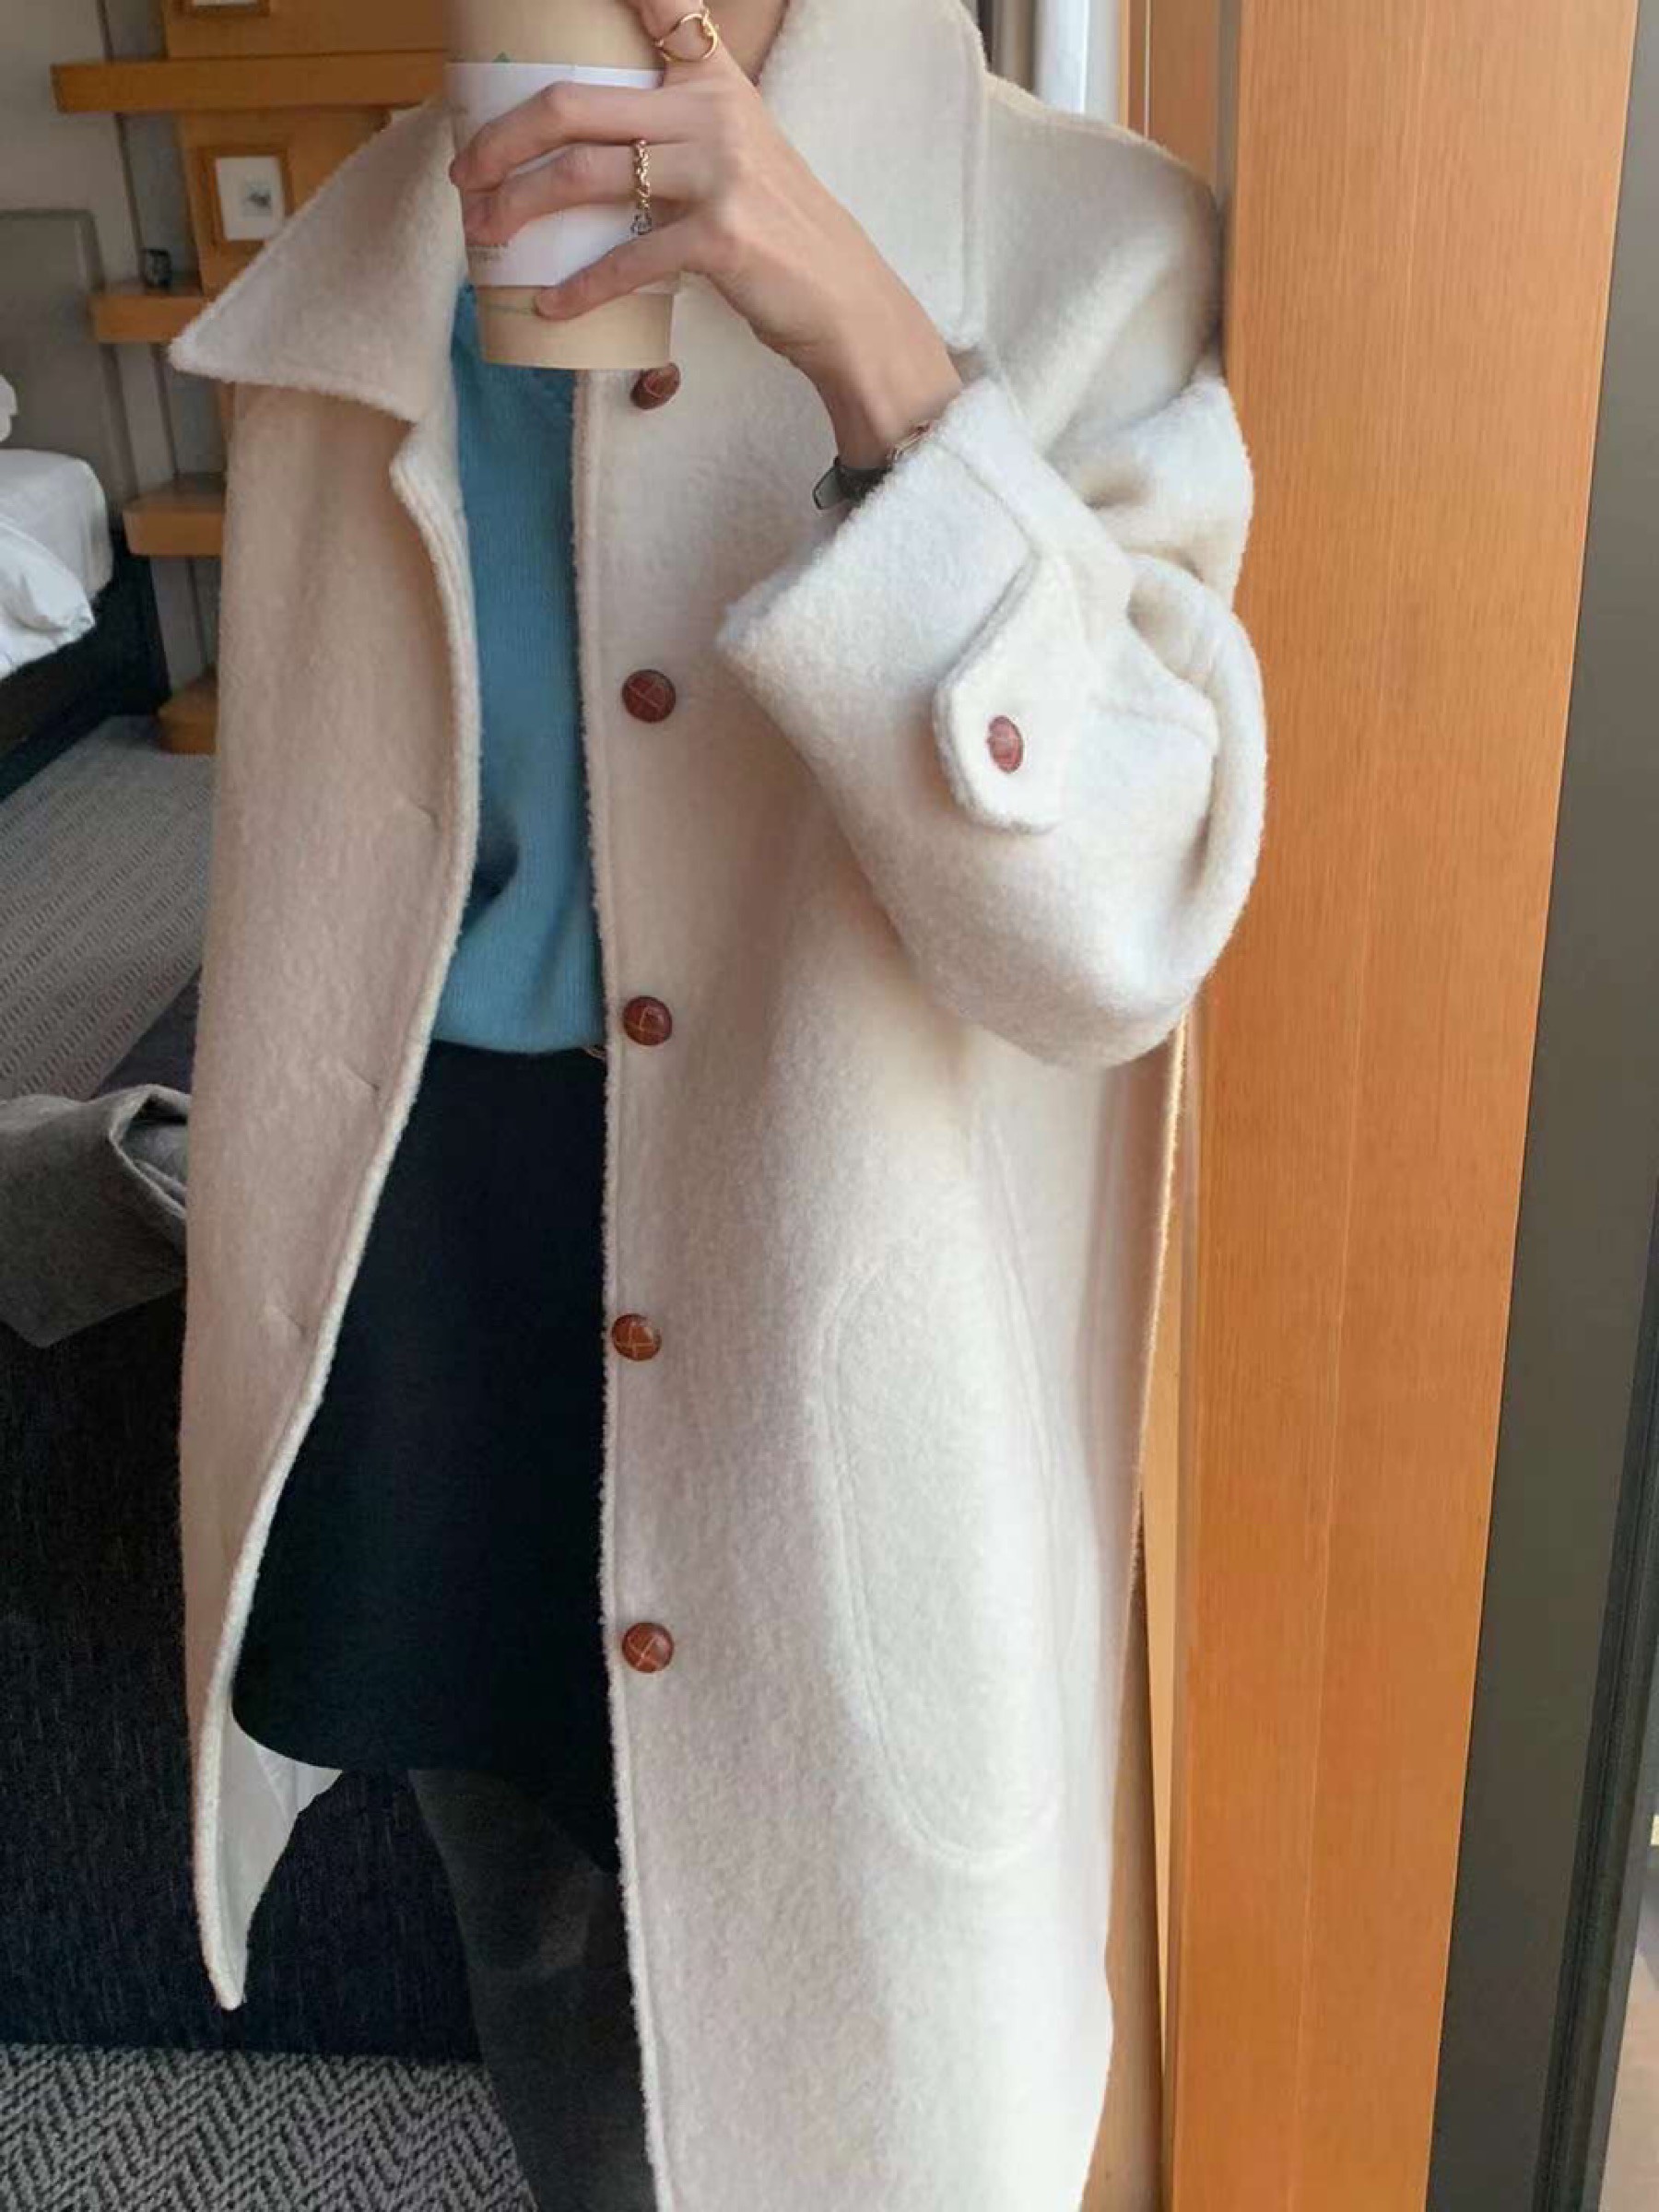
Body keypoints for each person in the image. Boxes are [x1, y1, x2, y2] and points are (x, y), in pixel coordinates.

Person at [167, 1, 1267, 2206]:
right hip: (441, 1258)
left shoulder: (1090, 242)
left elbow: (1116, 936)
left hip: (828, 1280)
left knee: (869, 2000)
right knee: (543, 1944)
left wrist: (871, 346)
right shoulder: (377, 254)